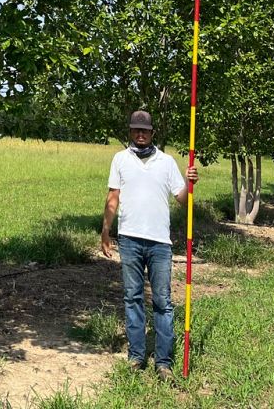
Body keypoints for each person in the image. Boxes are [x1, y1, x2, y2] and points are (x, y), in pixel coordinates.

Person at [100, 110, 198, 382]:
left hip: (159, 244)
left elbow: (182, 199)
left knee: (163, 302)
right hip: (129, 240)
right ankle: (136, 357)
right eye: (135, 130)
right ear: (130, 132)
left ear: (153, 132)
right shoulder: (120, 159)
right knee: (132, 299)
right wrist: (106, 229)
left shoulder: (166, 162)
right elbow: (113, 196)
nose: (140, 134)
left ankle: (163, 362)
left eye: (145, 130)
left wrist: (191, 185)